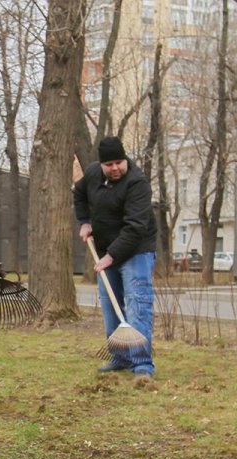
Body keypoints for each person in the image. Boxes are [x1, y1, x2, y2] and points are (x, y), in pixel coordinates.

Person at [73, 136, 157, 382]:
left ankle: (142, 365)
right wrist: (85, 221)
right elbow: (79, 195)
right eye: (109, 164)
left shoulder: (137, 183)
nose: (115, 168)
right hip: (106, 250)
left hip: (137, 251)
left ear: (125, 159)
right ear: (101, 164)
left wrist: (110, 256)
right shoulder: (92, 175)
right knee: (111, 306)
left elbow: (135, 228)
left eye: (119, 162)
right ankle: (120, 357)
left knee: (137, 304)